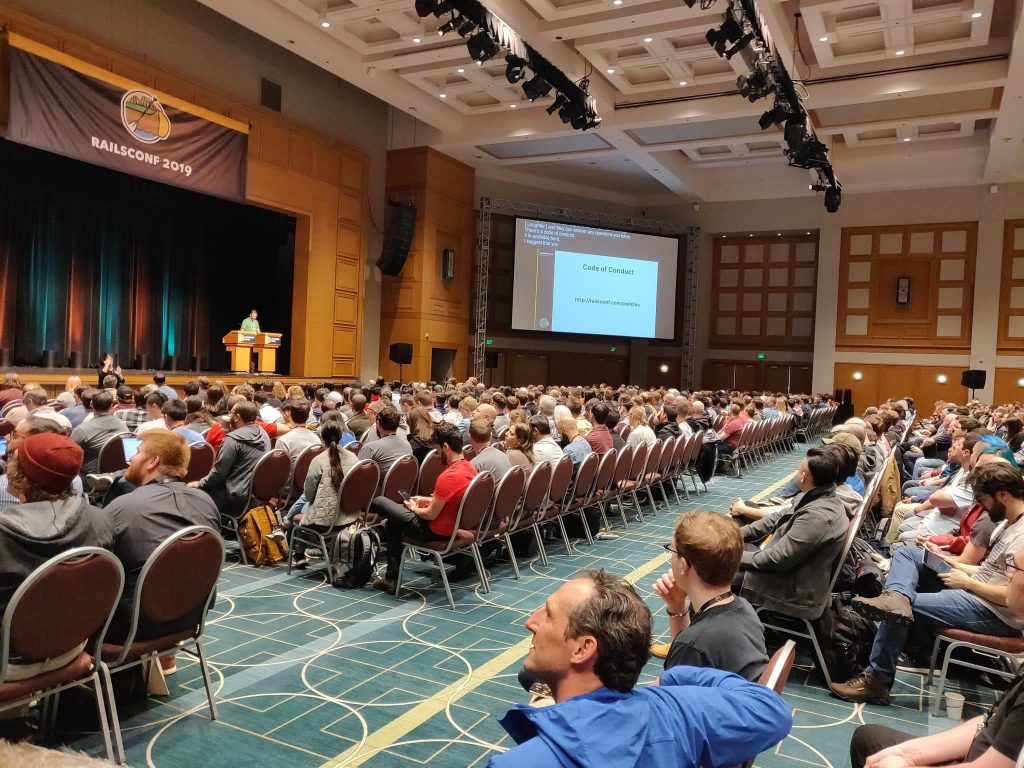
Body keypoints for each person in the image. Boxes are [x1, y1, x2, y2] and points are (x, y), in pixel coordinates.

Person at [488, 569, 792, 768]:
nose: (531, 621)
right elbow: (772, 710)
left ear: (583, 649)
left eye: (549, 615)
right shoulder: (678, 711)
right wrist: (675, 680)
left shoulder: (521, 763)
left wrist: (675, 677)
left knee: (530, 683)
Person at [832, 461, 1024, 705]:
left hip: (993, 611)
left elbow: (1014, 597)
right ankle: (896, 597)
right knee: (909, 554)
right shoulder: (1009, 521)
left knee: (902, 609)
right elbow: (990, 571)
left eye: (983, 499)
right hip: (974, 589)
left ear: (1003, 495)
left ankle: (877, 680)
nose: (980, 505)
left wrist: (968, 582)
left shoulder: (1021, 537)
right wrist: (952, 563)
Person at [0, 433, 112, 680]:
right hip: (71, 646)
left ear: (19, 475)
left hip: (7, 661)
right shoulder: (99, 519)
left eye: (12, 459)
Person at [105, 431, 218, 645]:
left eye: (137, 452)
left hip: (133, 627)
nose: (130, 459)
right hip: (192, 616)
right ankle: (164, 658)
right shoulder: (206, 502)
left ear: (152, 461)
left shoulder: (124, 506)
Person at [651, 511, 768, 680]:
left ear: (683, 565)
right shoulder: (745, 608)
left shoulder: (694, 646)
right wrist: (677, 606)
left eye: (673, 551)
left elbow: (674, 691)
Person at [737, 447, 850, 619]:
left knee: (711, 570)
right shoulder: (815, 496)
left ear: (803, 477)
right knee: (723, 545)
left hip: (792, 590)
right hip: (789, 570)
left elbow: (777, 559)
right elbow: (774, 519)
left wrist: (731, 557)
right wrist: (734, 534)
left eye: (798, 469)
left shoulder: (817, 516)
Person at [368, 423, 476, 594]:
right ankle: (390, 578)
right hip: (451, 525)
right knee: (393, 523)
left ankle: (389, 575)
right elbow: (454, 498)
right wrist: (428, 500)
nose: (437, 455)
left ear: (445, 447)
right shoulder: (470, 468)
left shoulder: (448, 476)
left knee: (379, 502)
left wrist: (413, 508)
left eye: (438, 450)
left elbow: (430, 514)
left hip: (434, 530)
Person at [191, 400, 269, 518]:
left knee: (194, 494)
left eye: (230, 413)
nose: (228, 416)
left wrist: (200, 483)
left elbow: (219, 473)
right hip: (254, 494)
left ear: (237, 417)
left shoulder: (232, 440)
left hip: (233, 497)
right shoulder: (263, 433)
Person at [71, 389, 128, 475]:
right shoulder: (122, 425)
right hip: (119, 475)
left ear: (91, 404)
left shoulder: (81, 430)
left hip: (90, 478)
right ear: (111, 406)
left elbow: (69, 455)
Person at [359, 406, 413, 491]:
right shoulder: (407, 444)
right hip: (402, 491)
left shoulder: (371, 448)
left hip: (377, 494)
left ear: (378, 423)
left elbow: (357, 476)